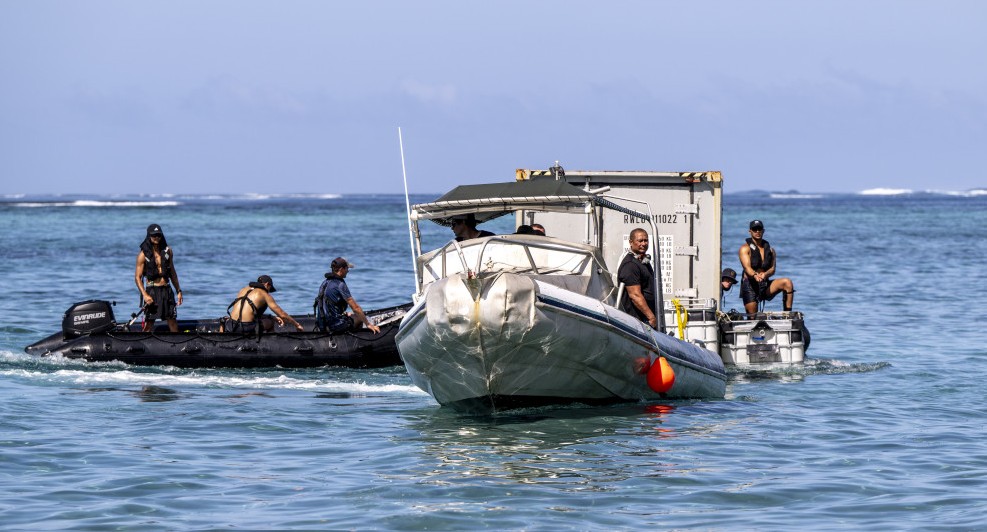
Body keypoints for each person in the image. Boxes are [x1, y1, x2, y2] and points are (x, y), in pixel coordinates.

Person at [738, 219, 795, 314]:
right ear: (750, 231)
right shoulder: (745, 248)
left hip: (764, 284)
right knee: (752, 317)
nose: (757, 231)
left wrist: (765, 274)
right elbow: (747, 268)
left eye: (759, 229)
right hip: (750, 285)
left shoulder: (771, 250)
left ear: (763, 231)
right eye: (754, 229)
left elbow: (772, 269)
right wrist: (755, 275)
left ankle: (788, 315)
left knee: (787, 282)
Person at [135, 224, 182, 332]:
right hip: (152, 291)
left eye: (158, 235)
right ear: (149, 236)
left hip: (167, 290)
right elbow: (137, 277)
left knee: (172, 320)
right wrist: (145, 295)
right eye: (154, 235)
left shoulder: (168, 251)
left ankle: (177, 345)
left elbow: (173, 273)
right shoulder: (143, 255)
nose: (156, 237)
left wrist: (178, 290)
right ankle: (142, 344)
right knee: (149, 323)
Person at [315, 257, 381, 334]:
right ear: (341, 269)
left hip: (323, 325)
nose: (348, 271)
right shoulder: (340, 285)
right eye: (347, 268)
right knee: (360, 317)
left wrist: (342, 313)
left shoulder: (325, 283)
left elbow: (328, 305)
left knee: (351, 314)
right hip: (335, 326)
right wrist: (368, 324)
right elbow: (355, 307)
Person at [225, 275, 303, 333]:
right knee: (270, 323)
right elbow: (282, 314)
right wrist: (297, 325)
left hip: (231, 325)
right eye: (270, 288)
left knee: (268, 319)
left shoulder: (243, 289)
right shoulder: (264, 294)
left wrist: (272, 317)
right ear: (267, 284)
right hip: (245, 327)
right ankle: (268, 346)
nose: (269, 291)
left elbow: (247, 313)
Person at [617, 228, 658, 329]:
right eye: (640, 241)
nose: (643, 244)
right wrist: (651, 317)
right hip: (637, 323)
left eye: (646, 240)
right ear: (631, 242)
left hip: (645, 320)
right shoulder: (630, 265)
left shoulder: (643, 261)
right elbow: (635, 295)